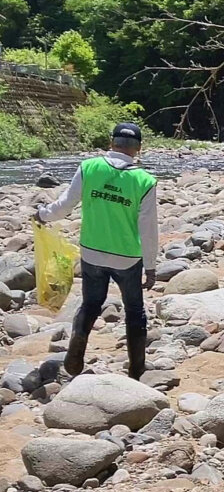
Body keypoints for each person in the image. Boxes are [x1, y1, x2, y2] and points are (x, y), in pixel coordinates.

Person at [36, 123, 158, 380]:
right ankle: (137, 368)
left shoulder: (89, 167)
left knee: (91, 304)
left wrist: (42, 215)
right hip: (127, 257)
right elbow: (148, 228)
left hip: (92, 252)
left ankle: (76, 348)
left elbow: (65, 205)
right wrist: (151, 266)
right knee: (135, 310)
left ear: (111, 143)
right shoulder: (145, 181)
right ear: (138, 149)